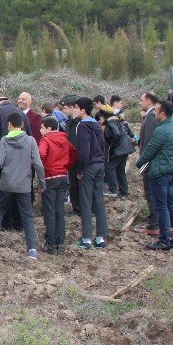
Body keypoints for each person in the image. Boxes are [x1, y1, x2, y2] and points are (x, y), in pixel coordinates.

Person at [0, 112, 45, 259]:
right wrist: (42, 183)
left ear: (9, 125)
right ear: (22, 125)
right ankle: (32, 250)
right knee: (28, 217)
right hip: (24, 184)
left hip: (6, 183)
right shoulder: (30, 140)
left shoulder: (4, 140)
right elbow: (37, 163)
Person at [134, 100, 173, 250]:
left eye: (156, 110)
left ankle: (164, 240)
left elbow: (150, 150)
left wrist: (139, 163)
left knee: (161, 207)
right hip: (172, 172)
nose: (154, 113)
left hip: (160, 172)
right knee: (170, 204)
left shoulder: (161, 130)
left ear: (162, 113)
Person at [73, 97, 109, 249]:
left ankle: (86, 238)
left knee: (86, 202)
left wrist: (80, 169)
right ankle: (100, 238)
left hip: (88, 166)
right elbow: (103, 146)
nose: (73, 109)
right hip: (100, 164)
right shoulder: (96, 125)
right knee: (99, 201)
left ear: (82, 110)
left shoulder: (81, 125)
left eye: (75, 107)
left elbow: (84, 150)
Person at [39, 117, 77, 254]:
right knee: (59, 211)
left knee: (49, 211)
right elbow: (73, 153)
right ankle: (60, 244)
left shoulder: (46, 140)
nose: (40, 131)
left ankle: (51, 244)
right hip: (62, 177)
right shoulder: (64, 140)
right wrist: (66, 166)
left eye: (42, 128)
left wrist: (42, 168)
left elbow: (41, 154)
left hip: (50, 177)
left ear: (48, 129)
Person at [135, 92, 160, 236]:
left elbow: (149, 143)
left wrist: (144, 163)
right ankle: (154, 221)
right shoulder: (151, 116)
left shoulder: (151, 117)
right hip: (151, 162)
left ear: (149, 101)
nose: (140, 103)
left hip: (149, 163)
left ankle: (154, 225)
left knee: (150, 192)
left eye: (141, 100)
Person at [99, 110, 135, 198]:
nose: (99, 123)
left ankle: (112, 189)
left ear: (102, 118)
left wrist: (112, 146)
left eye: (99, 120)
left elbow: (117, 134)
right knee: (120, 169)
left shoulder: (110, 122)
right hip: (125, 148)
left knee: (110, 167)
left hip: (120, 148)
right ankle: (123, 192)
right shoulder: (116, 121)